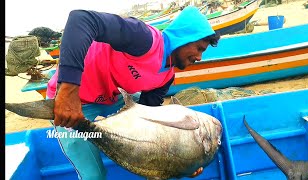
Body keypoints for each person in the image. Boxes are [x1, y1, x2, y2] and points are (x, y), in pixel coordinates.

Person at [46, 5, 220, 180]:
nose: (199, 58)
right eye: (199, 49)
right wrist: (68, 90)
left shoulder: (166, 77)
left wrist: (185, 162)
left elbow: (150, 127)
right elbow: (81, 19)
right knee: (93, 176)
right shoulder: (143, 38)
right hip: (70, 99)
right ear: (185, 38)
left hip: (113, 98)